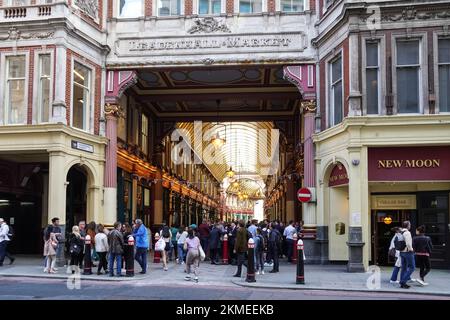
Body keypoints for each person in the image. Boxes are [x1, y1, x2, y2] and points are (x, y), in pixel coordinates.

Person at [399, 220, 415, 289]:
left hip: (402, 252)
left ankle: (402, 283)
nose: (410, 225)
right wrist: (411, 249)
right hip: (408, 252)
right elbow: (408, 243)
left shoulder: (401, 232)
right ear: (408, 226)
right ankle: (403, 281)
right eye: (410, 224)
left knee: (404, 268)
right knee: (412, 267)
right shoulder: (407, 233)